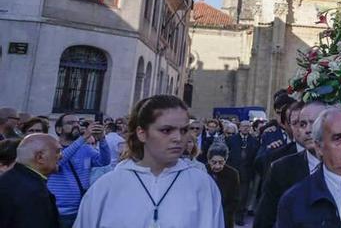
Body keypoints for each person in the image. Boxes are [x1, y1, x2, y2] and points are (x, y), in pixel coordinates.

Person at [73, 95, 224, 228]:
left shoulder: (202, 185)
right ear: (142, 133)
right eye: (166, 130)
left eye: (184, 130)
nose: (178, 138)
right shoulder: (106, 187)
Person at [253, 101, 327, 228]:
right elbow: (265, 217)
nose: (308, 130)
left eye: (314, 122)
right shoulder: (279, 166)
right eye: (300, 124)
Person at [48, 114, 111, 227]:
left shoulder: (85, 148)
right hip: (55, 212)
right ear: (58, 129)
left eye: (77, 123)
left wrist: (102, 139)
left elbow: (104, 161)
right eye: (70, 123)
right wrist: (83, 138)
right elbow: (58, 161)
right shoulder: (52, 147)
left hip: (80, 211)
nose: (76, 125)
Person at [0, 133, 62, 228]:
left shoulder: (8, 179)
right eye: (57, 151)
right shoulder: (34, 192)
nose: (61, 156)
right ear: (40, 157)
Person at [226, 120, 259, 225]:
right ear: (239, 127)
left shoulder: (254, 141)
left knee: (243, 196)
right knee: (231, 194)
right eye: (244, 126)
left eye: (248, 126)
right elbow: (226, 154)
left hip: (246, 172)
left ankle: (239, 217)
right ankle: (229, 215)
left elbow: (256, 157)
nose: (246, 128)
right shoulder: (231, 139)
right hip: (233, 171)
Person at [207, 142, 240, 228]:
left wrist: (223, 214)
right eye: (214, 162)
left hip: (225, 215)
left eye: (221, 162)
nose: (217, 166)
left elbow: (235, 198)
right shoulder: (203, 171)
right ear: (208, 160)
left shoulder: (233, 174)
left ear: (226, 160)